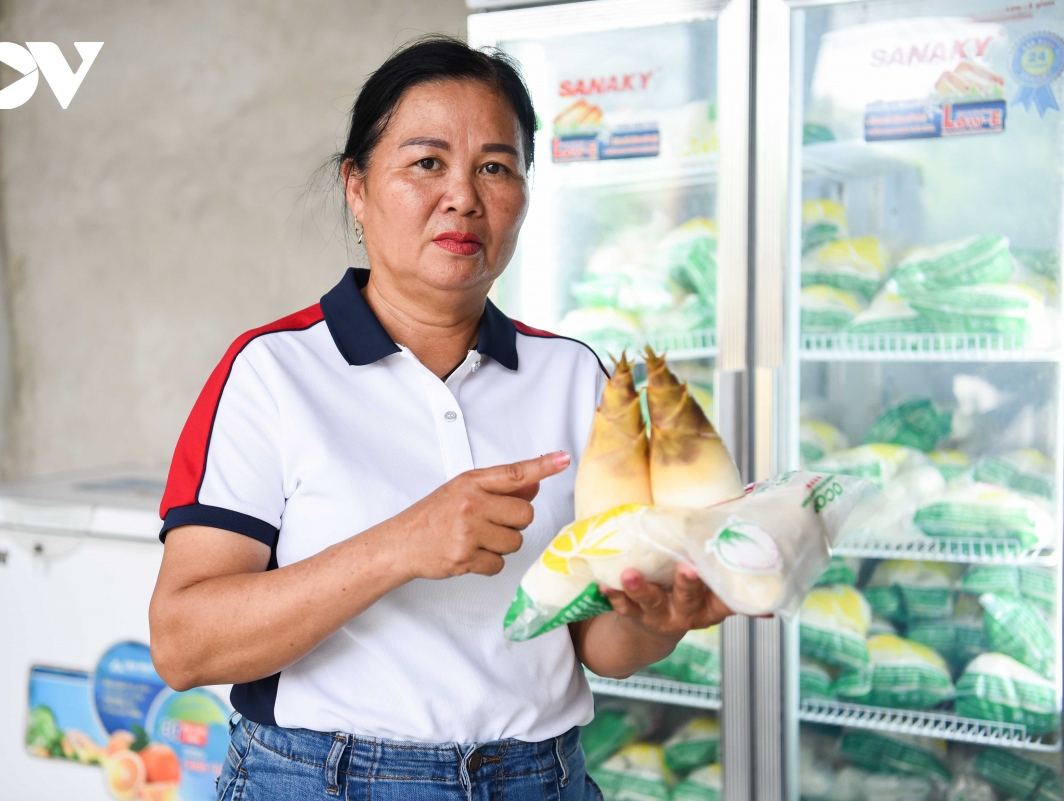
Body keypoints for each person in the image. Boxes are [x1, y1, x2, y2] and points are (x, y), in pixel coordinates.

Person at [149, 35, 733, 801]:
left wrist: (664, 615)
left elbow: (596, 641)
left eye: (495, 166)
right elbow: (183, 642)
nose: (463, 195)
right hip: (322, 781)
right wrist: (404, 542)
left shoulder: (573, 377)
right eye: (426, 162)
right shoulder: (272, 372)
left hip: (541, 779)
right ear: (356, 187)